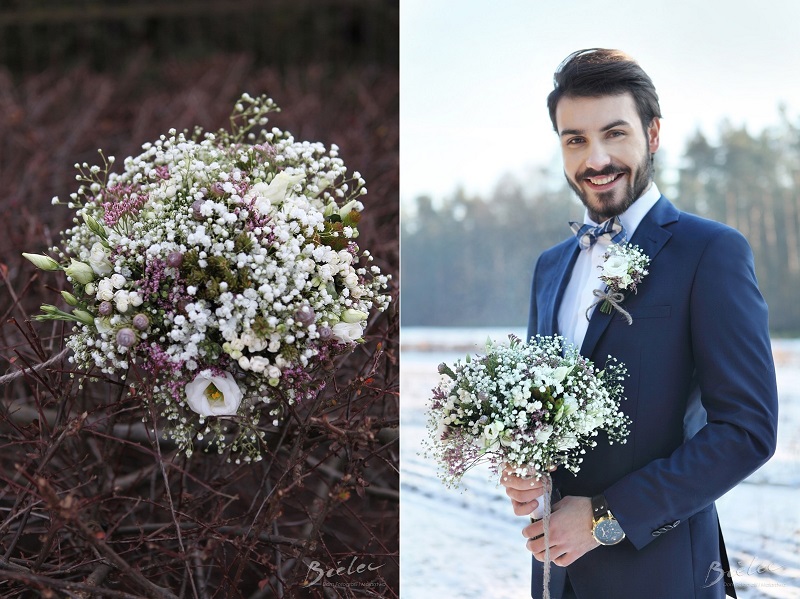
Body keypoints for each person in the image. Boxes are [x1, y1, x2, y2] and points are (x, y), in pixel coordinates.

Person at [499, 48, 779, 599]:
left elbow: (746, 431)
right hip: (556, 577)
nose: (595, 158)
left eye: (615, 133)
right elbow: (540, 411)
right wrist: (524, 467)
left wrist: (607, 516)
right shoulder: (549, 267)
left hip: (664, 573)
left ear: (652, 134)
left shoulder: (711, 252)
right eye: (574, 139)